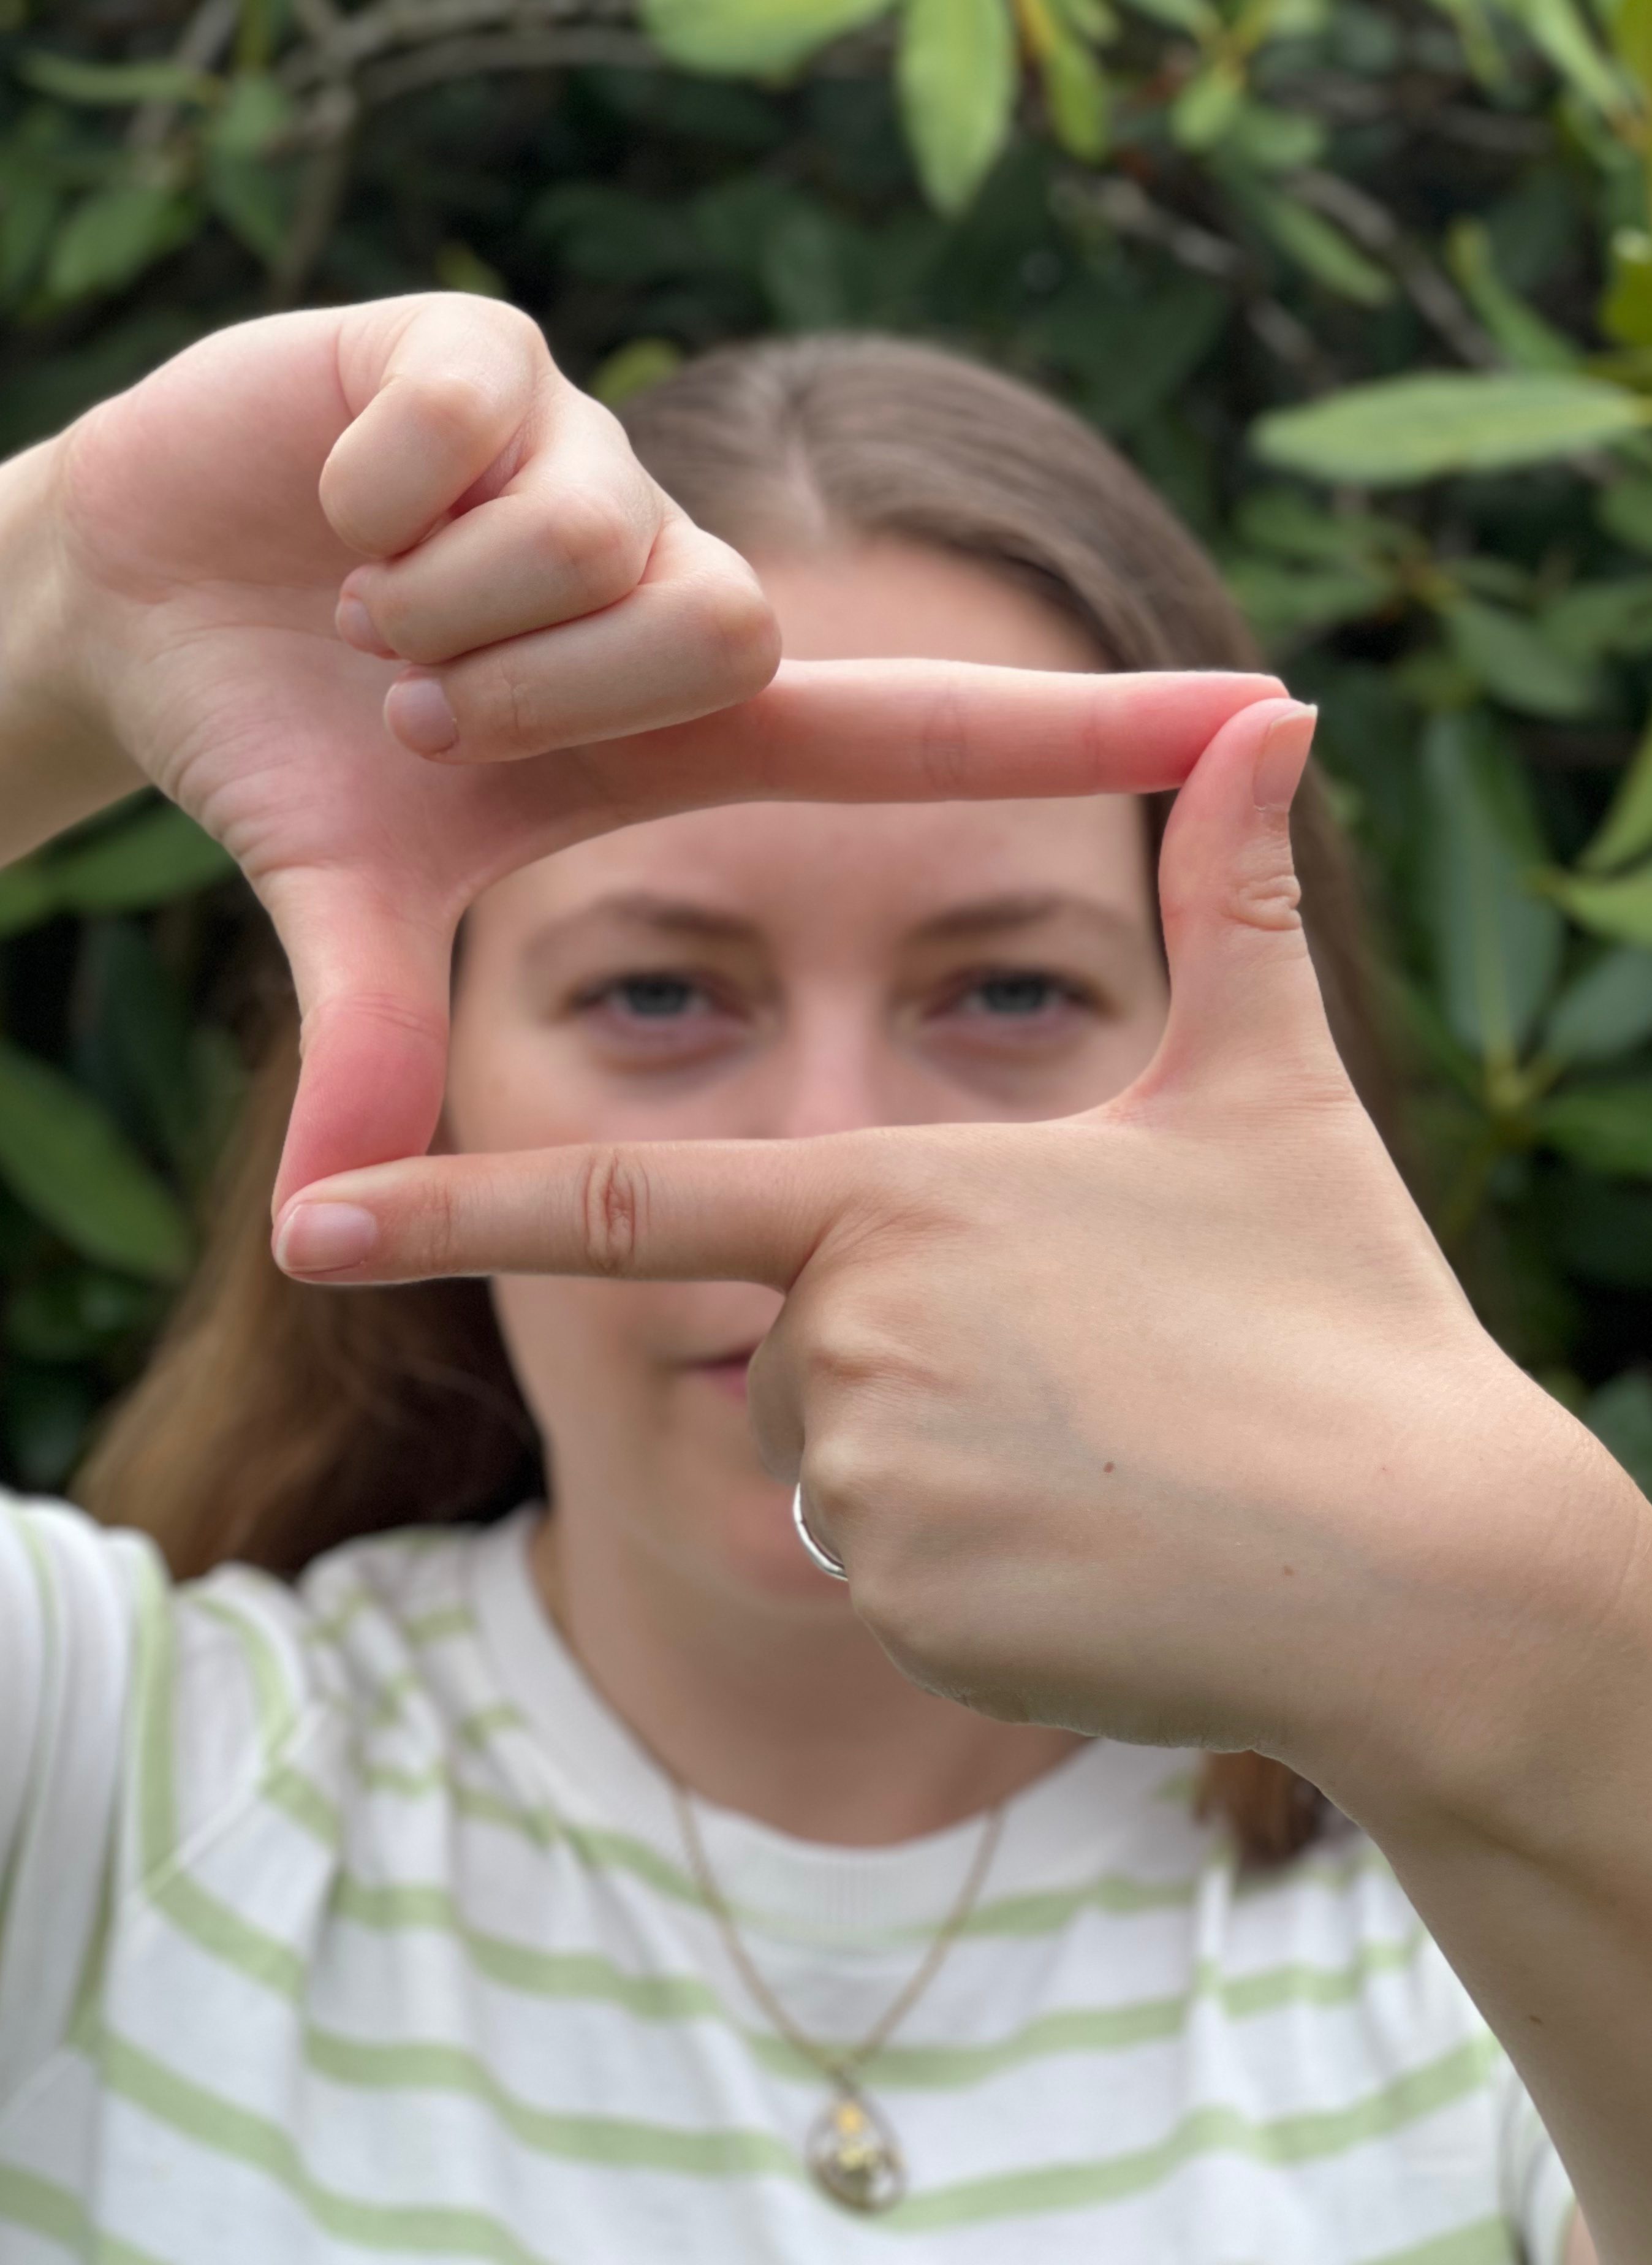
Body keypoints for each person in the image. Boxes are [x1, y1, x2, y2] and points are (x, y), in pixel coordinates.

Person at [0, 297, 1640, 2264]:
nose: (831, 1158)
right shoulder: (96, 1789)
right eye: (658, 992)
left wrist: (1552, 1684)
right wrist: (62, 600)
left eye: (1009, 989)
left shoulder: (1512, 1921)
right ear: (424, 1054)